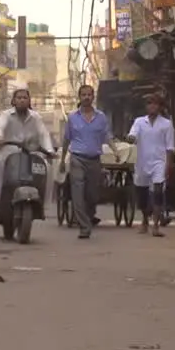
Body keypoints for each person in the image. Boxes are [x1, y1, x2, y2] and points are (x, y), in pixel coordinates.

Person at [0, 86, 56, 211]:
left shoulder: (36, 117)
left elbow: (43, 134)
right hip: (8, 151)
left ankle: (44, 204)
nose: (22, 100)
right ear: (13, 101)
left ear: (29, 101)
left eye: (25, 98)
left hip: (32, 152)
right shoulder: (6, 115)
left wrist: (50, 151)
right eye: (19, 98)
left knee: (48, 166)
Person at [60, 84, 111, 239]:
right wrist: (62, 160)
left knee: (92, 194)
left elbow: (107, 136)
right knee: (77, 193)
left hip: (94, 160)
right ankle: (84, 226)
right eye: (83, 95)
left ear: (93, 97)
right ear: (79, 97)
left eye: (89, 94)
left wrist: (115, 151)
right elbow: (66, 140)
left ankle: (88, 216)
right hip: (77, 158)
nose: (86, 97)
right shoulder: (72, 118)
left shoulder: (101, 117)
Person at [127, 95, 175, 238]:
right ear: (146, 106)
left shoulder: (166, 124)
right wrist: (131, 138)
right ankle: (144, 220)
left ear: (160, 107)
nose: (152, 107)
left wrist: (169, 165)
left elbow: (170, 147)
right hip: (142, 162)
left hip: (159, 162)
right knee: (142, 195)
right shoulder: (139, 122)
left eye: (155, 104)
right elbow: (132, 135)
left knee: (158, 192)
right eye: (149, 104)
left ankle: (155, 225)